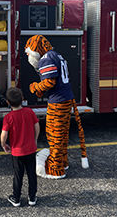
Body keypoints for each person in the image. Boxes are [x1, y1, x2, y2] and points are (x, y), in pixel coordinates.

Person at [25, 34, 89, 180]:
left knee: (54, 135)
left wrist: (35, 87)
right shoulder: (56, 55)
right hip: (66, 99)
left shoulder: (46, 59)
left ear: (35, 49)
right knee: (62, 135)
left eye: (29, 52)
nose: (28, 56)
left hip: (58, 102)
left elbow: (49, 82)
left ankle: (56, 169)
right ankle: (62, 161)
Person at [0, 87, 40, 207]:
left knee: (18, 175)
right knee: (32, 174)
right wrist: (35, 139)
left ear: (8, 102)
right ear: (22, 99)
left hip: (17, 152)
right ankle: (32, 197)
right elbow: (37, 125)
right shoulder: (29, 112)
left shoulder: (8, 117)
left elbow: (4, 134)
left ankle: (16, 198)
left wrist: (4, 144)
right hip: (31, 150)